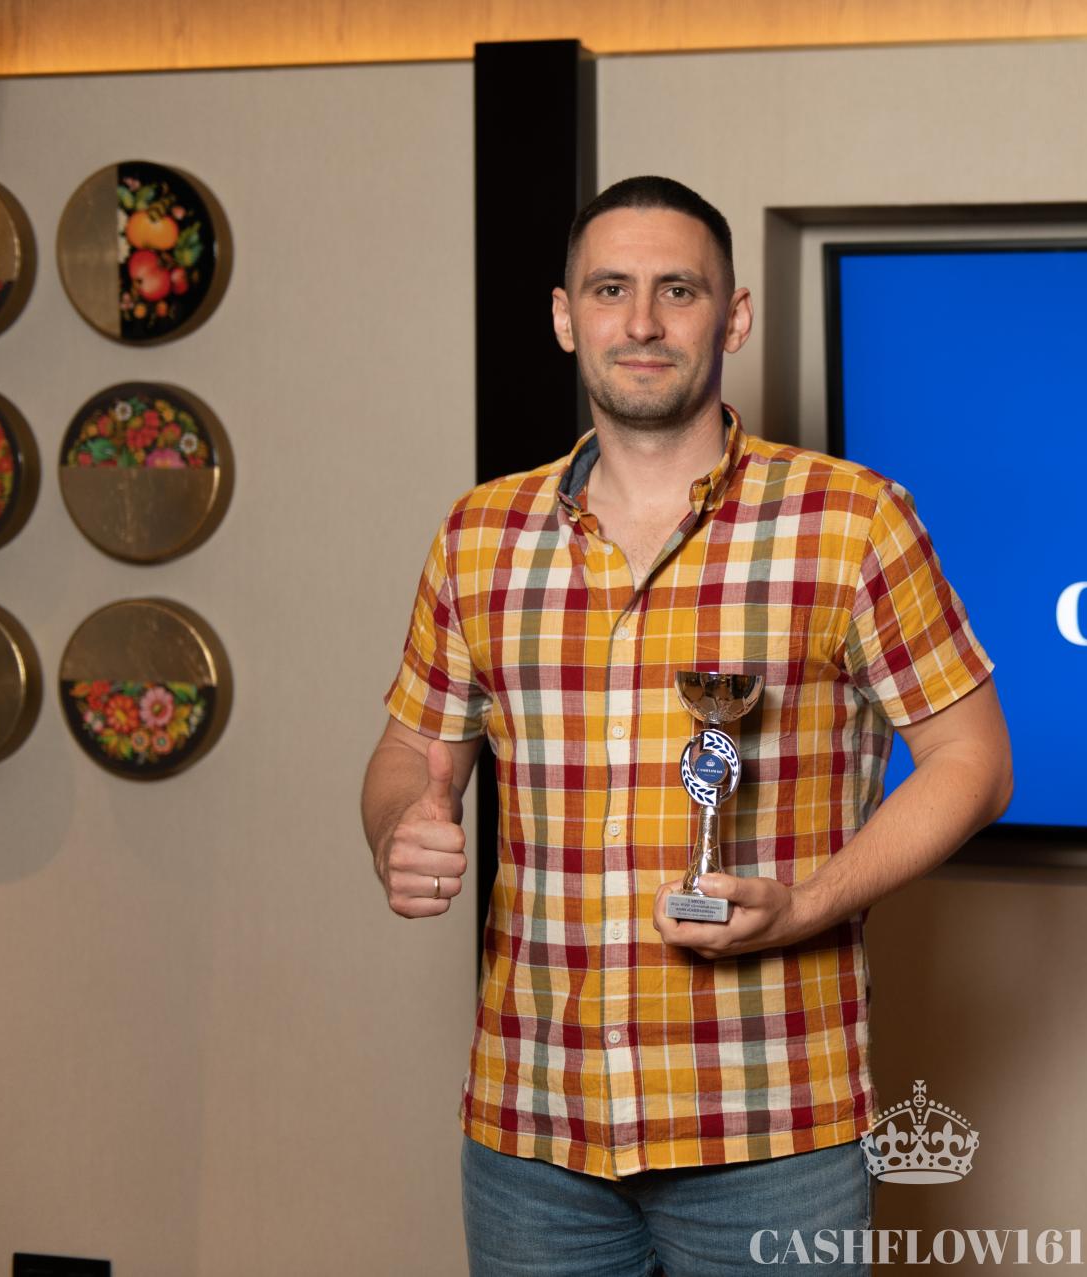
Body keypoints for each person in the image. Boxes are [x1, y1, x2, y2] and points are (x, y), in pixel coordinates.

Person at [359, 175, 1012, 1277]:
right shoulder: (479, 535)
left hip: (772, 1129)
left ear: (734, 316)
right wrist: (396, 826)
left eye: (678, 290)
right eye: (609, 289)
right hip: (533, 1130)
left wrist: (808, 903)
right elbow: (407, 754)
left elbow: (975, 760)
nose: (642, 322)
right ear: (566, 316)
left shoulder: (851, 519)